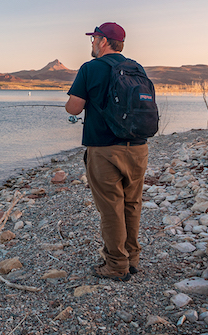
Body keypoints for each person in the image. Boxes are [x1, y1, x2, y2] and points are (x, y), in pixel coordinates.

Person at [65, 22, 149, 282]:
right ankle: (131, 259)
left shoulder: (90, 69)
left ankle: (116, 264)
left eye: (94, 39)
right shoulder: (137, 68)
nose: (91, 43)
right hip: (138, 147)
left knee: (111, 208)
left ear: (103, 41)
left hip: (104, 149)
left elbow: (73, 108)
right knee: (131, 204)